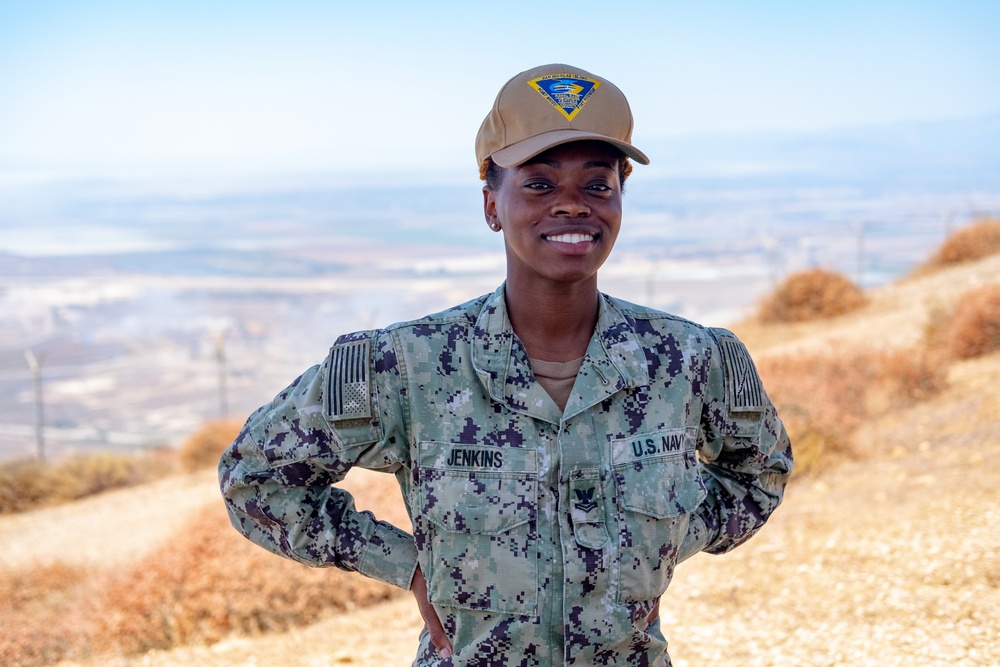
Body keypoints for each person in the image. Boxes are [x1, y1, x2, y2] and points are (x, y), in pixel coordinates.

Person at [219, 63, 793, 666]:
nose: (573, 205)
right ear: (492, 203)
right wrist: (412, 568)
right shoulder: (405, 365)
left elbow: (760, 472)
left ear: (621, 200)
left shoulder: (686, 359)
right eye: (540, 184)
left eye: (597, 185)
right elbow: (256, 480)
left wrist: (659, 552)